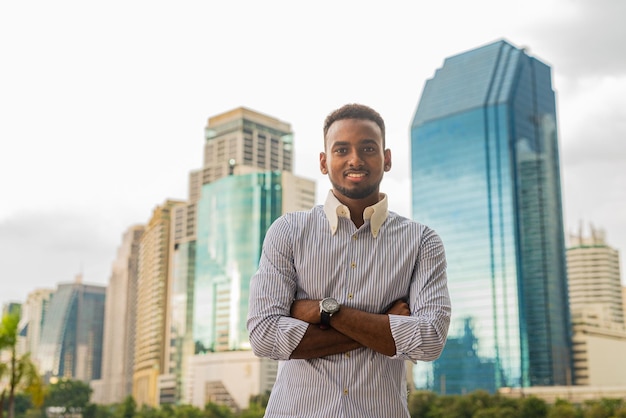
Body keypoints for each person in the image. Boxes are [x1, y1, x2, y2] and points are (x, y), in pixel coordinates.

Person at [247, 103, 451, 417]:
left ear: (387, 159)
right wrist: (382, 324)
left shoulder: (422, 242)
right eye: (342, 149)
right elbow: (264, 336)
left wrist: (322, 310)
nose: (355, 159)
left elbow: (428, 340)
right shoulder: (287, 231)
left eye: (368, 148)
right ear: (324, 162)